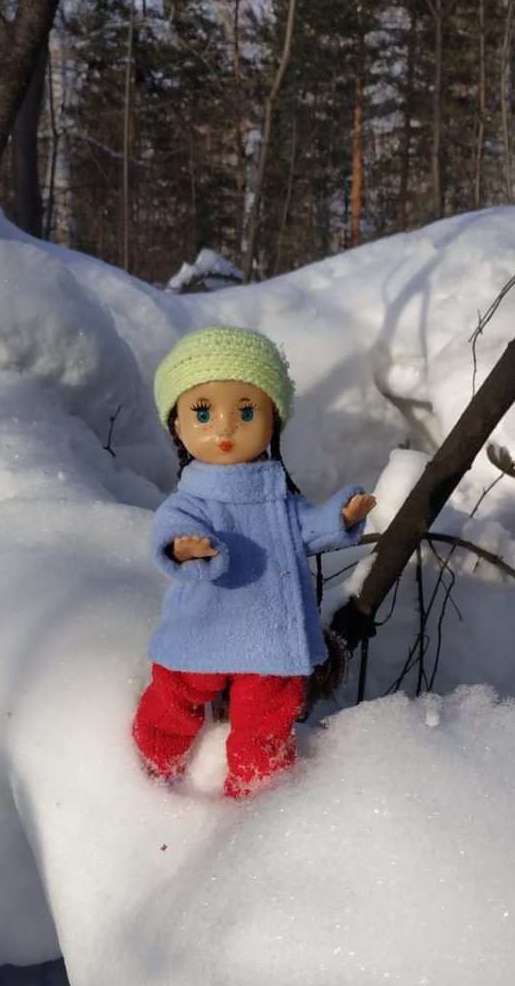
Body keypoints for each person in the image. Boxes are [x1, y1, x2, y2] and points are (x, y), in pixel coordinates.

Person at [132, 325, 375, 797]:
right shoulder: (192, 497)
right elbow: (168, 530)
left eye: (245, 412)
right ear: (178, 426)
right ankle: (148, 771)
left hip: (268, 636)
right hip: (204, 626)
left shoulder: (276, 497)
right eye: (203, 413)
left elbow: (305, 529)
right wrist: (183, 548)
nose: (224, 427)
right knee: (173, 696)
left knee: (266, 721)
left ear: (272, 421)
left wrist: (339, 517)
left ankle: (257, 797)